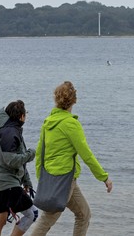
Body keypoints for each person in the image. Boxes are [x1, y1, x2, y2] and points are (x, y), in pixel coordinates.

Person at [30, 81, 113, 236]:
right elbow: (86, 154)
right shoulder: (71, 124)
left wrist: (41, 176)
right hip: (64, 180)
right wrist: (104, 177)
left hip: (60, 178)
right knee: (47, 219)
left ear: (56, 99)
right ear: (73, 101)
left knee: (84, 214)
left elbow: (40, 153)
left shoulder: (48, 122)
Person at [0, 100, 37, 236]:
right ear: (21, 116)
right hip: (7, 184)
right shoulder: (10, 132)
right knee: (32, 213)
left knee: (0, 220)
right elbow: (12, 160)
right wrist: (31, 154)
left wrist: (27, 182)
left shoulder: (6, 129)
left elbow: (17, 159)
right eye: (25, 114)